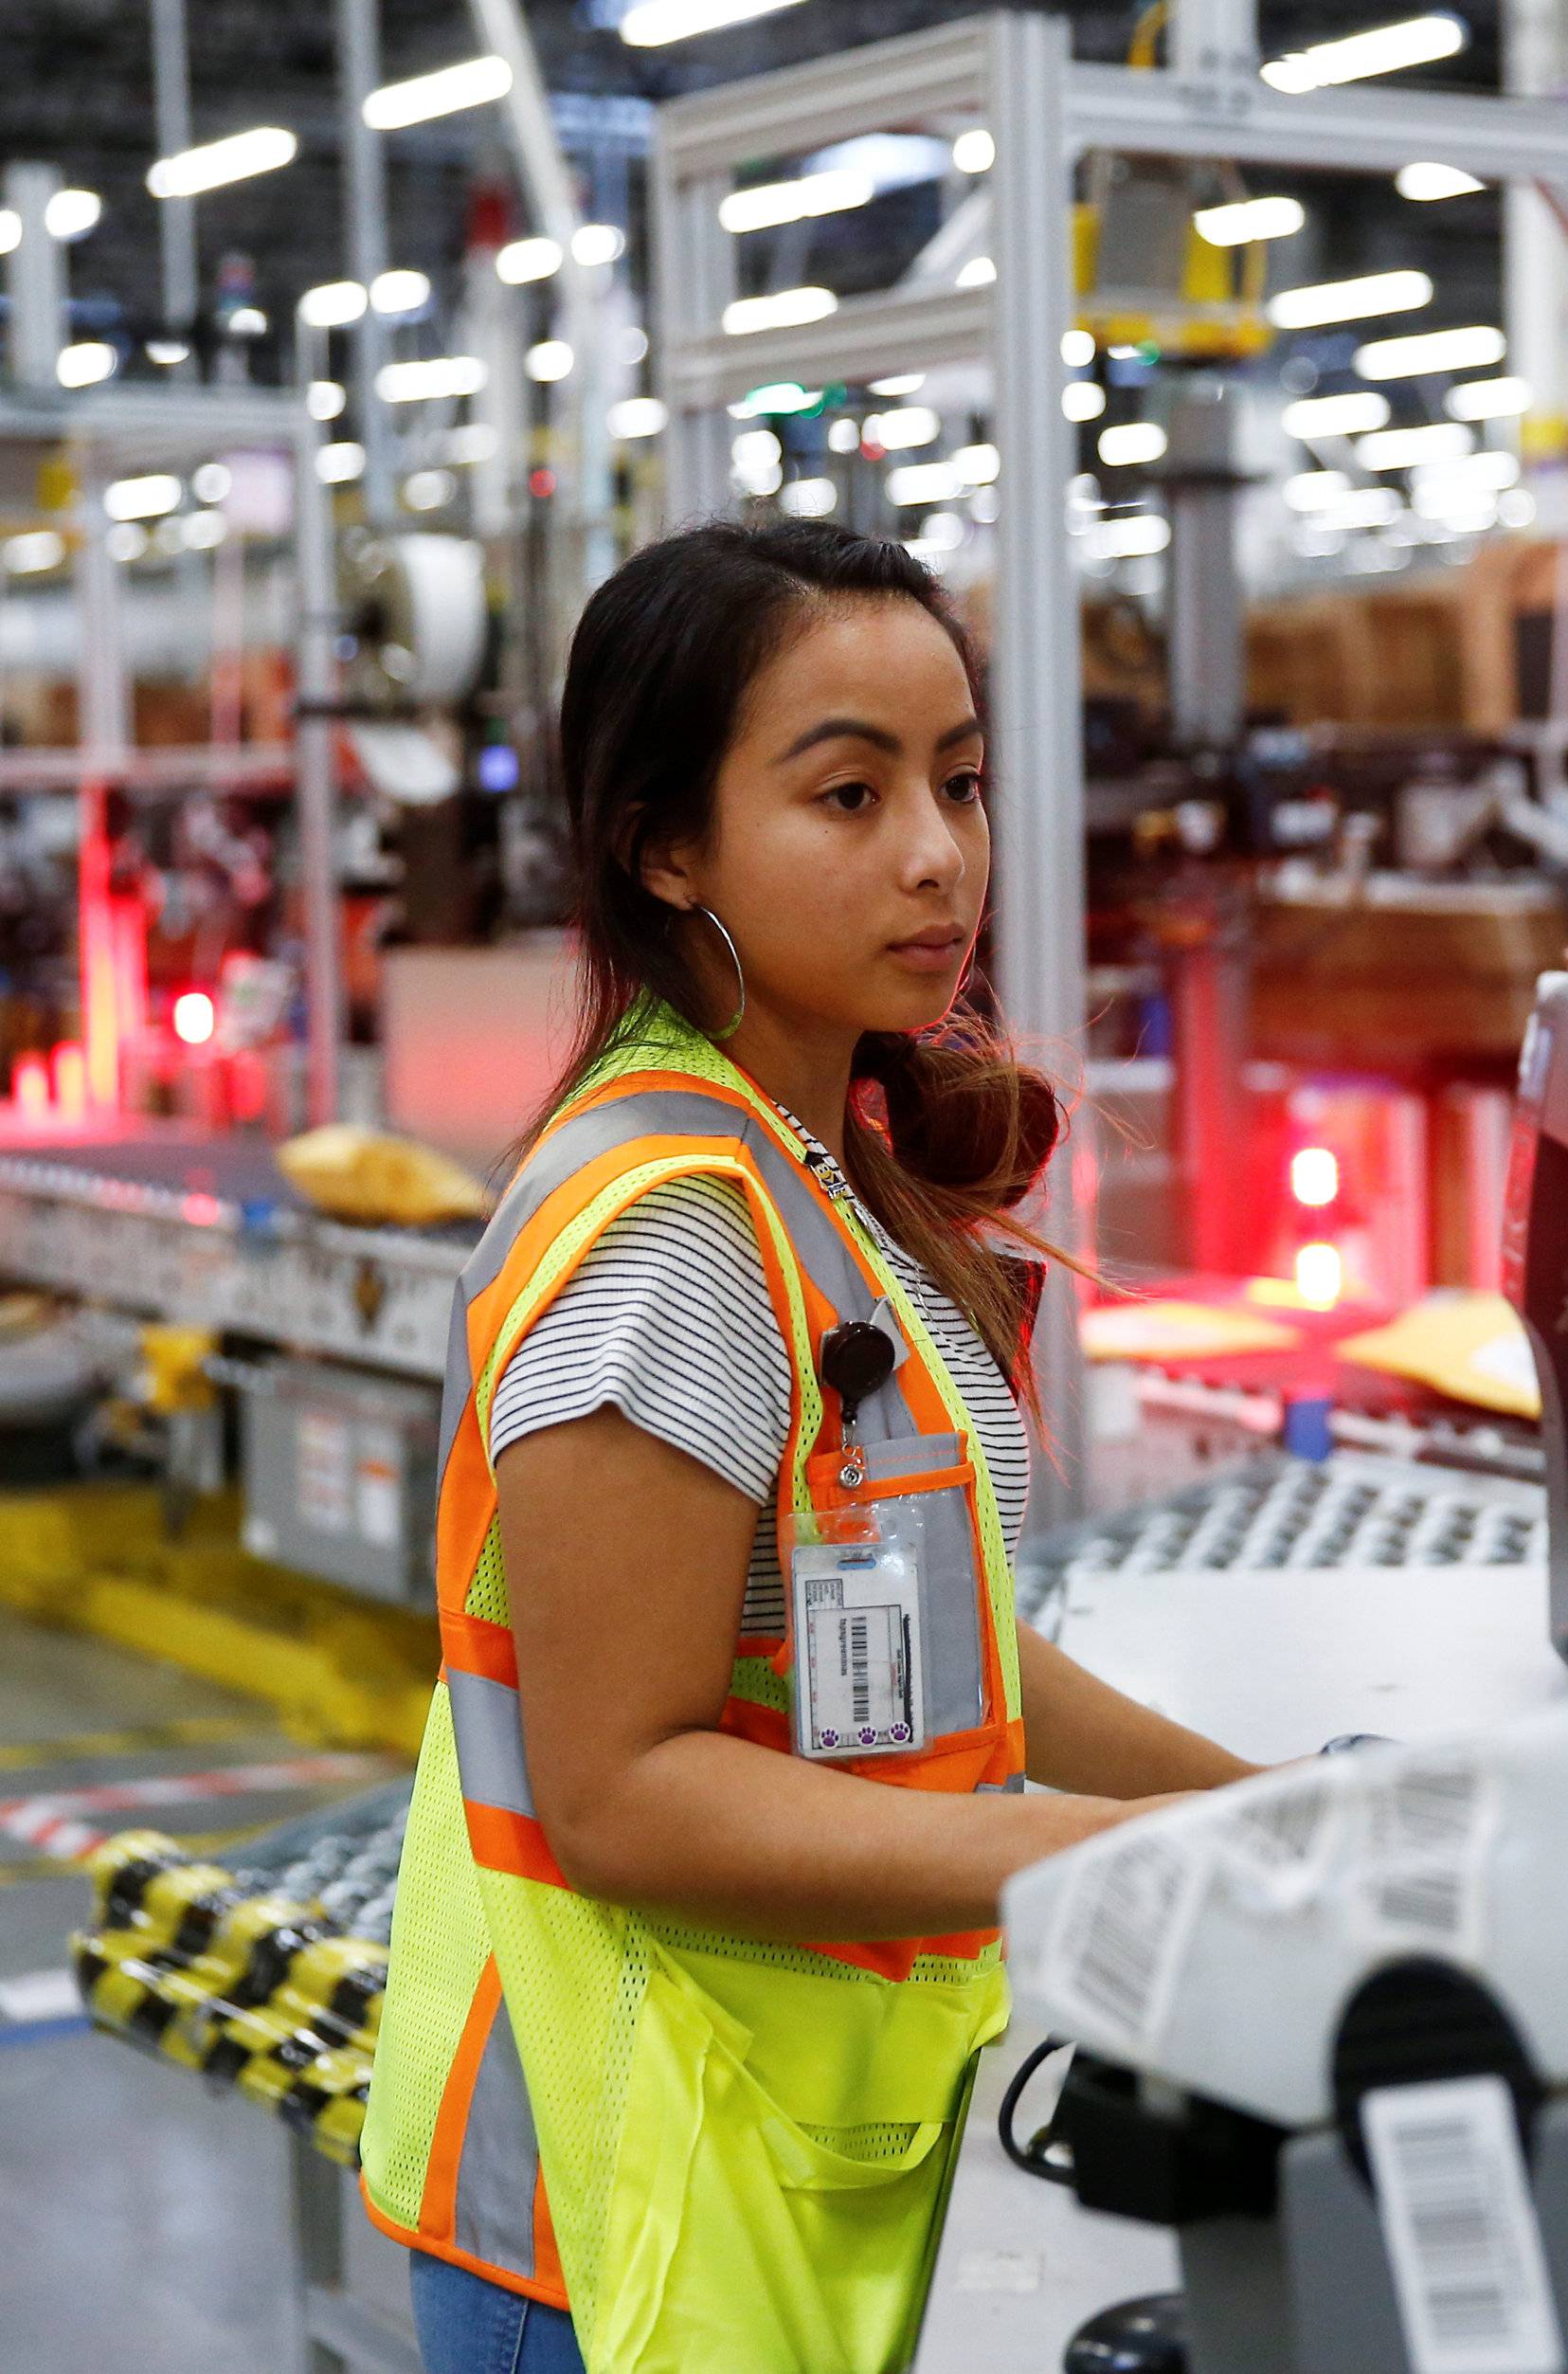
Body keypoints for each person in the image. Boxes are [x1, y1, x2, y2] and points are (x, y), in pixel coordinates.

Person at [362, 520, 1263, 2374]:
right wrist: (1103, 1857)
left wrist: (1259, 1811)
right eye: (847, 793)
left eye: (959, 781)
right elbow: (622, 1789)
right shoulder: (670, 1221)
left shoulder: (811, 1166)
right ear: (664, 843)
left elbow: (945, 1649)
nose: (938, 855)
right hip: (622, 2216)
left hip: (775, 2136)